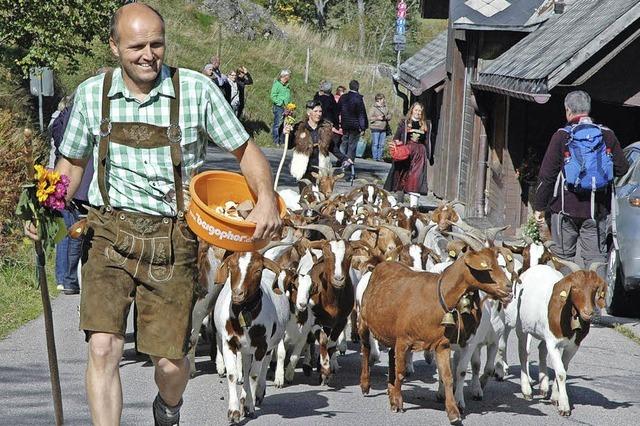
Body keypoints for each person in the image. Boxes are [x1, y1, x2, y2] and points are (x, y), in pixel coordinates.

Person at [24, 3, 281, 425]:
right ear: (114, 46)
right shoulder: (92, 94)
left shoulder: (195, 91)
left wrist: (266, 198)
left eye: (156, 44)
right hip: (108, 233)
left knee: (170, 364)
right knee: (103, 346)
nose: (148, 54)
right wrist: (43, 208)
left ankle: (169, 407)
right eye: (137, 45)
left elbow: (246, 151)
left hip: (174, 239)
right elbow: (69, 166)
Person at [533, 91, 628, 275]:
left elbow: (547, 175)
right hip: (595, 209)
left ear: (568, 111)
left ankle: (565, 300)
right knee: (595, 260)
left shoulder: (561, 136)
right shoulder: (606, 135)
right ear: (588, 109)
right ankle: (596, 301)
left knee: (563, 258)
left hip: (564, 210)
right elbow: (622, 168)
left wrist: (539, 206)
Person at [285, 100, 351, 192]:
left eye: (320, 111)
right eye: (315, 111)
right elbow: (289, 145)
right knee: (306, 195)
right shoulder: (300, 128)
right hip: (304, 168)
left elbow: (332, 147)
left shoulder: (325, 129)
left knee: (321, 195)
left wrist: (344, 158)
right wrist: (288, 133)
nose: (318, 114)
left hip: (321, 168)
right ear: (309, 113)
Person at [383, 102, 430, 207]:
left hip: (419, 153)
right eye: (416, 110)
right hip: (406, 152)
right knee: (402, 175)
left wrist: (429, 154)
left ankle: (414, 206)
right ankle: (400, 202)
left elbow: (428, 141)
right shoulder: (404, 123)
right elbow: (396, 138)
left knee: (416, 178)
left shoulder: (426, 124)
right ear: (412, 110)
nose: (418, 113)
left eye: (420, 111)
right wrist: (397, 145)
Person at [338, 79, 368, 180]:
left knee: (344, 142)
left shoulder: (343, 97)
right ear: (357, 87)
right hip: (355, 126)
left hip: (345, 124)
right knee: (352, 146)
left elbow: (338, 109)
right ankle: (349, 164)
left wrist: (337, 121)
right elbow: (361, 114)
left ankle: (341, 161)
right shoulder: (358, 99)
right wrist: (363, 127)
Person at [270, 69, 291, 146]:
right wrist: (280, 102)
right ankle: (276, 140)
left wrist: (290, 106)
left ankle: (282, 141)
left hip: (287, 107)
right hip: (279, 107)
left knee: (285, 124)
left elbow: (289, 97)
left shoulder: (287, 86)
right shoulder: (277, 84)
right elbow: (273, 96)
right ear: (284, 76)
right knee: (277, 124)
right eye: (288, 76)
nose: (289, 78)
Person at [369, 93, 391, 161]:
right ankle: (375, 157)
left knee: (381, 144)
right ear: (379, 99)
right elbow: (369, 117)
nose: (384, 100)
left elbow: (390, 116)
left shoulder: (386, 108)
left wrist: (385, 117)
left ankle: (379, 157)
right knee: (375, 143)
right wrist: (377, 118)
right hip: (375, 127)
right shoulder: (373, 108)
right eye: (382, 99)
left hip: (383, 128)